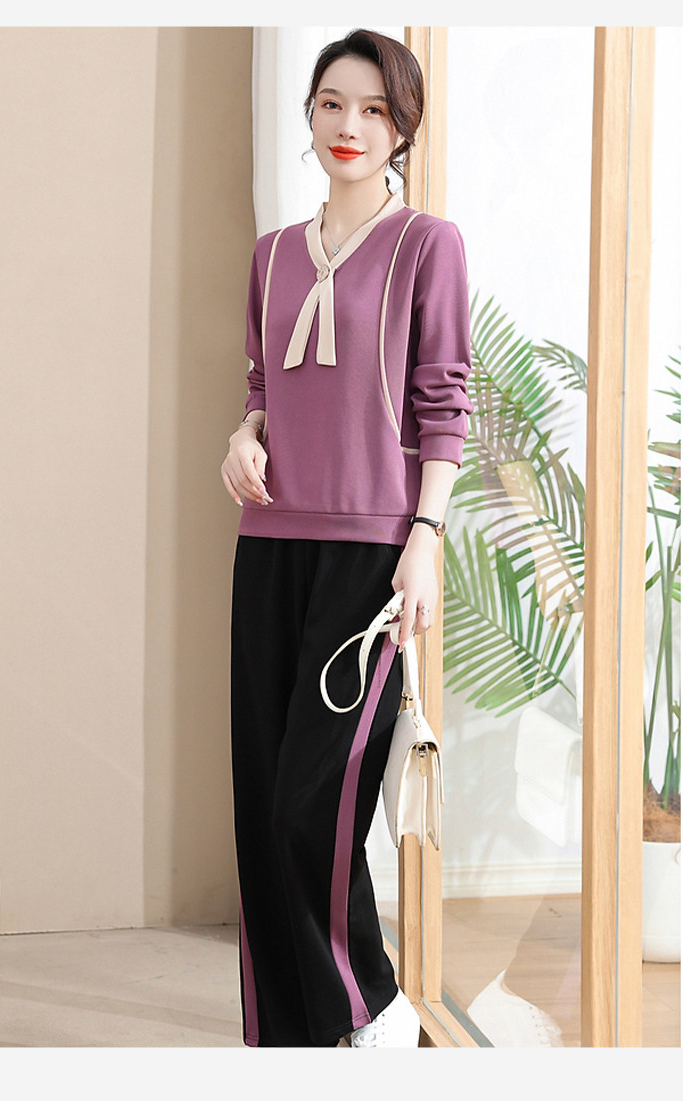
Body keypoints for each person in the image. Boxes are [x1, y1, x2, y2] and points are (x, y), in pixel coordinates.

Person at [220, 28, 473, 1048]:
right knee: (260, 797)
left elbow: (444, 402)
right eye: (332, 103)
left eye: (374, 109)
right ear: (310, 113)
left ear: (401, 128)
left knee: (311, 800)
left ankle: (374, 1002)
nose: (350, 125)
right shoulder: (274, 254)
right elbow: (263, 386)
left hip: (372, 552)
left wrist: (426, 538)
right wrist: (242, 437)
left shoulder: (427, 246)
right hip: (269, 542)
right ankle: (287, 1033)